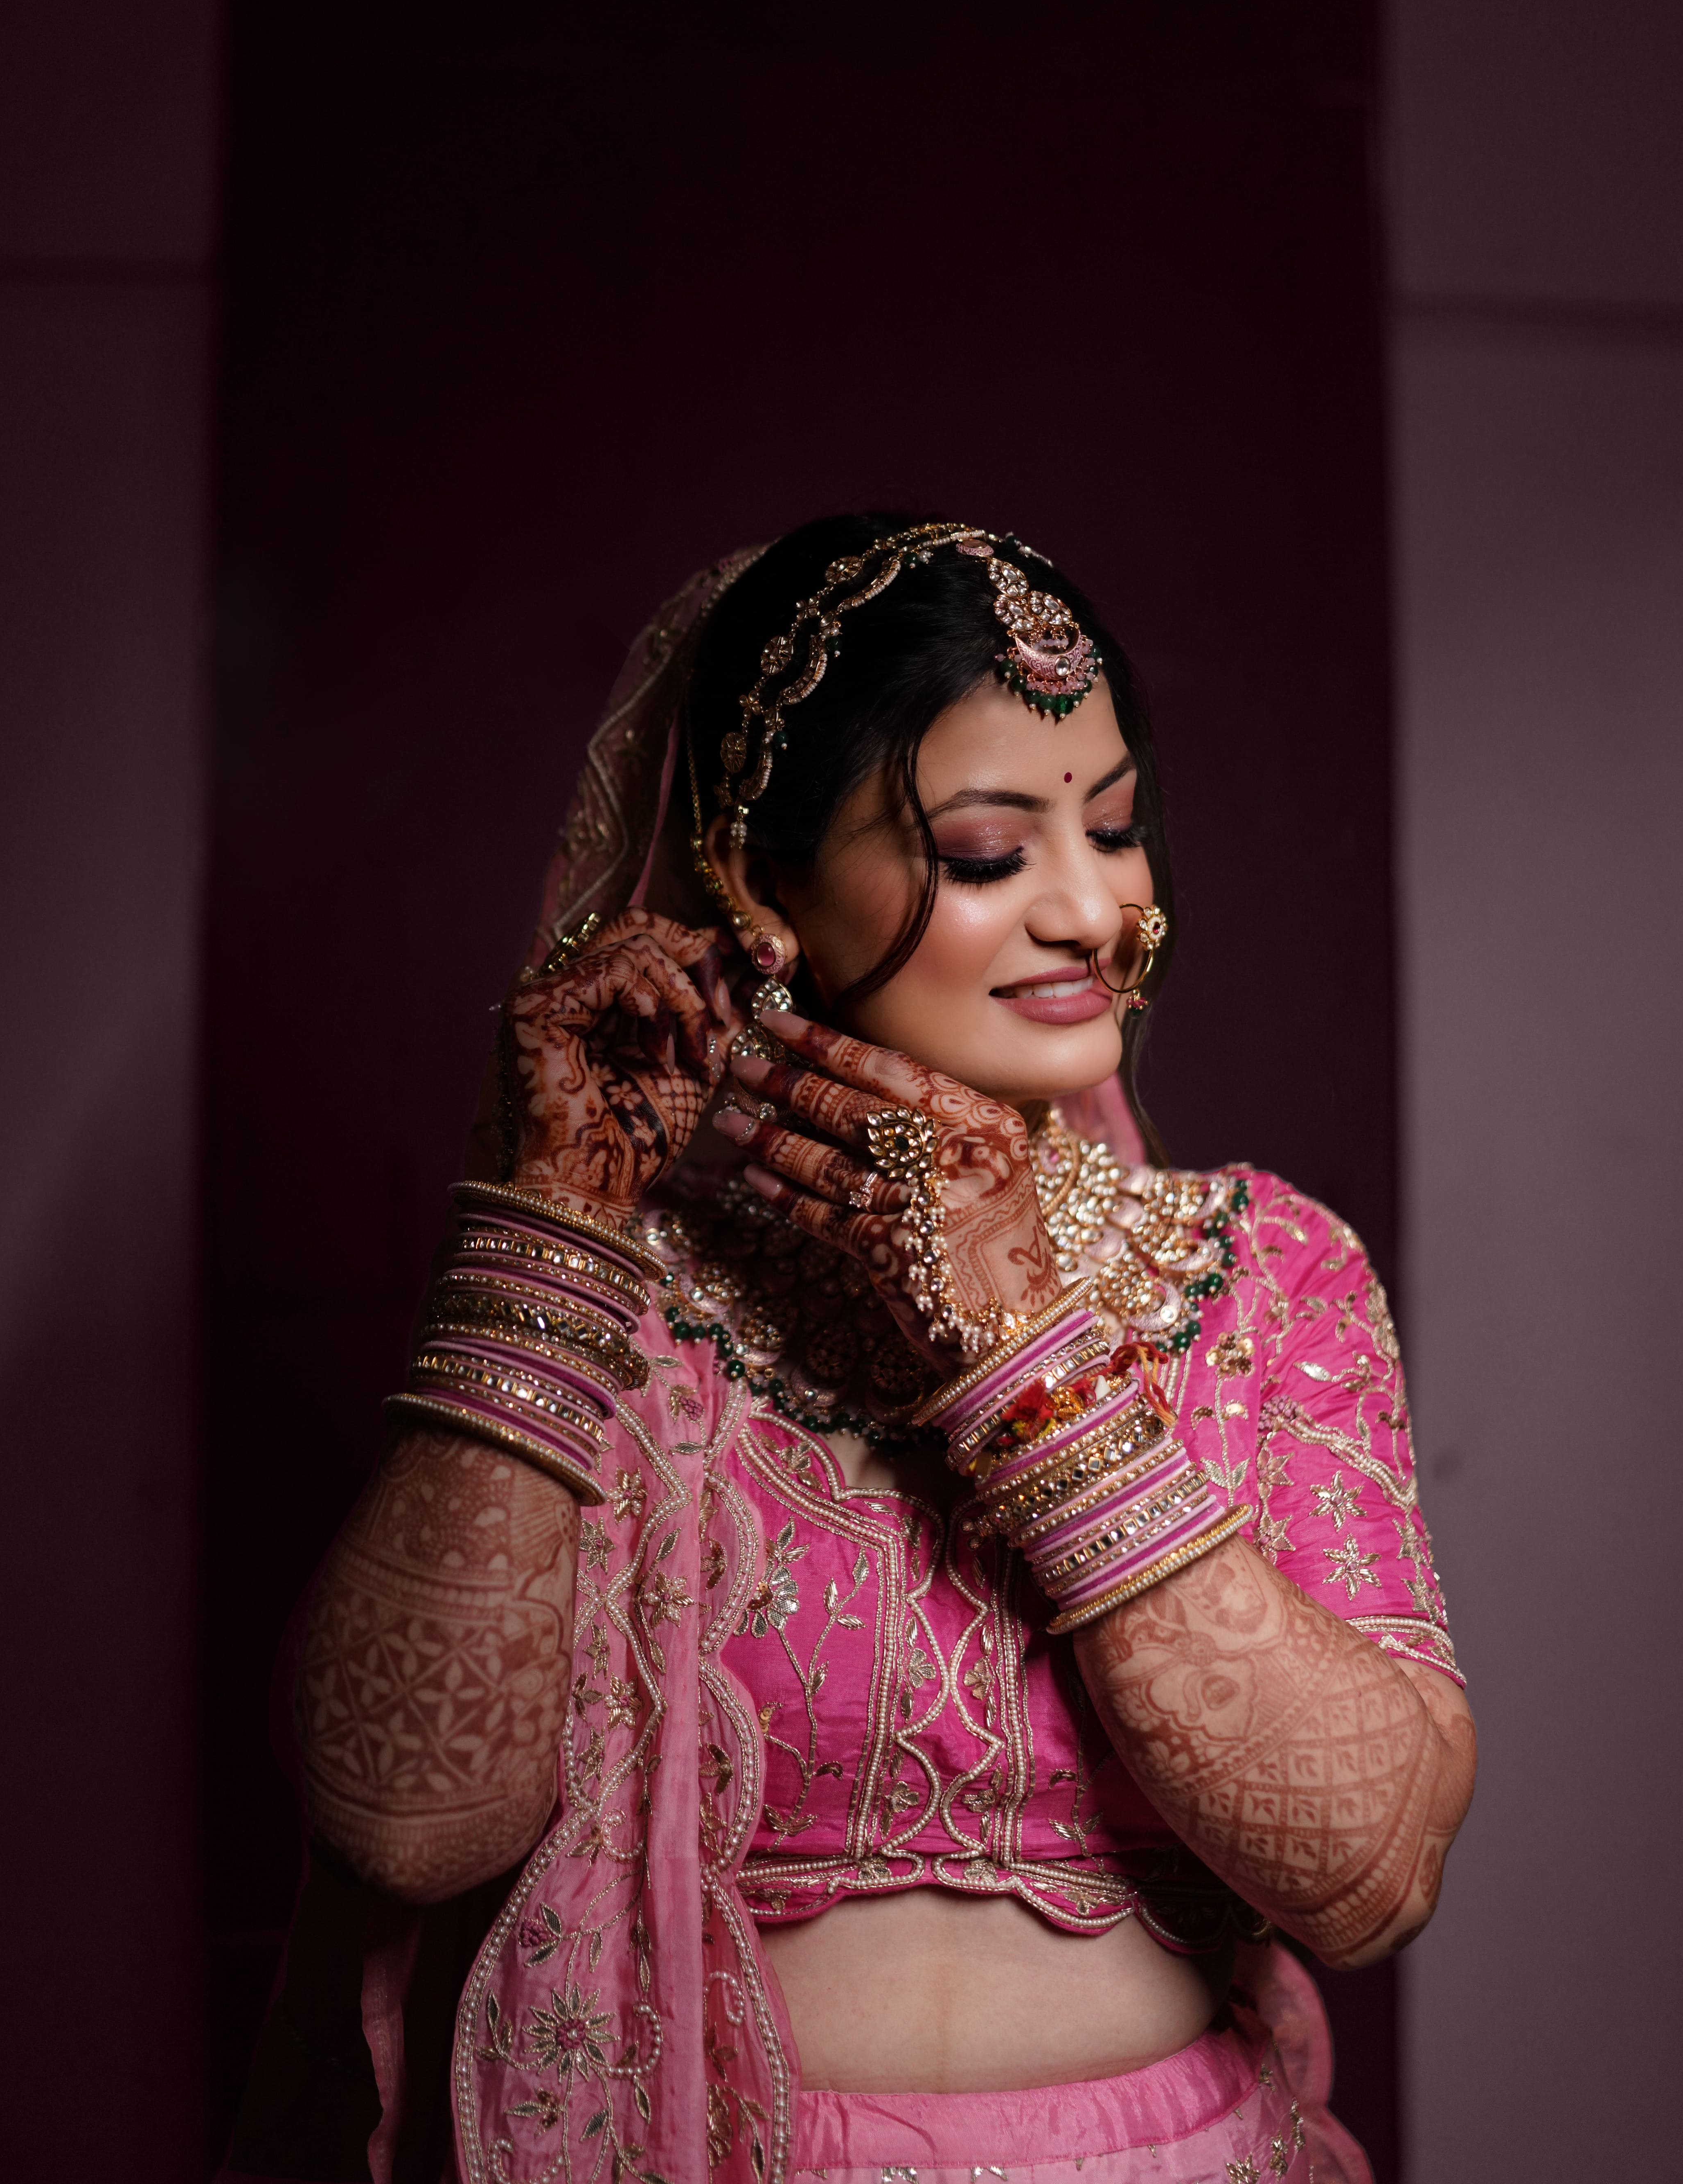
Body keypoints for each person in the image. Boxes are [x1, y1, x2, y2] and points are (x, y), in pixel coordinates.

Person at [228, 513, 1473, 2184]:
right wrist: (555, 1223)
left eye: (1112, 830)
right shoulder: (606, 1291)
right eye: (984, 851)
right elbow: (404, 1818)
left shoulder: (1253, 1272)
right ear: (761, 887)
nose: (1093, 908)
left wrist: (1024, 1357)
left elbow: (1366, 1873)